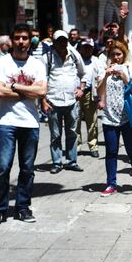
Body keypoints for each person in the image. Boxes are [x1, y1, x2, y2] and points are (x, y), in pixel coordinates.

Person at [0, 24, 47, 226]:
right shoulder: (2, 63)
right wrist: (28, 90)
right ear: (11, 41)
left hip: (30, 123)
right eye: (17, 38)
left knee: (27, 168)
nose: (21, 41)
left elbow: (42, 92)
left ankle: (23, 207)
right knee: (3, 167)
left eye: (24, 38)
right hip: (6, 122)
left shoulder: (37, 64)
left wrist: (13, 86)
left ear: (30, 40)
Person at [97, 40, 132, 195]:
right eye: (113, 54)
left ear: (124, 54)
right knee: (111, 152)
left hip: (127, 118)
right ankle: (111, 183)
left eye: (119, 54)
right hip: (110, 118)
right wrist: (105, 76)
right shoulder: (105, 69)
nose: (116, 57)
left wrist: (125, 76)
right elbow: (99, 92)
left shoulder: (130, 68)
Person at [41, 30, 85, 174]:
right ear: (53, 43)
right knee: (56, 134)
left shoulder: (73, 55)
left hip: (71, 100)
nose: (62, 43)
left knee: (72, 132)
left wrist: (81, 88)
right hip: (54, 101)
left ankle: (72, 161)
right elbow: (41, 80)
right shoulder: (46, 57)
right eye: (59, 41)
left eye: (64, 40)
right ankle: (57, 162)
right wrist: (43, 100)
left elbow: (82, 73)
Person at [77, 38, 102, 158]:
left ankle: (93, 146)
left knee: (92, 121)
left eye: (89, 47)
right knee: (75, 121)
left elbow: (101, 77)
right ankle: (76, 146)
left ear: (92, 48)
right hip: (76, 93)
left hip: (89, 93)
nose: (87, 49)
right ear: (81, 48)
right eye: (85, 47)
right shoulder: (76, 59)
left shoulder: (96, 61)